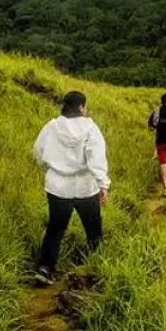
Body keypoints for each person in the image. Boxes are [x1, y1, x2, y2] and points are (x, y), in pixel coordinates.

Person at [33, 91, 109, 286]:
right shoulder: (90, 128)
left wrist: (50, 168)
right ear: (82, 107)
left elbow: (38, 152)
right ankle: (98, 269)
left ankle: (45, 268)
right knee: (93, 230)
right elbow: (96, 158)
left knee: (55, 229)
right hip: (85, 187)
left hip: (57, 186)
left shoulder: (52, 126)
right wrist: (103, 184)